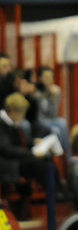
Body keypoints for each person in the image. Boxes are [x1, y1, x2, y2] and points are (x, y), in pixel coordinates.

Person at [0, 91, 61, 220]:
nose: (23, 116)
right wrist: (31, 152)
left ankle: (58, 191)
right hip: (8, 163)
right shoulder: (2, 124)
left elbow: (18, 143)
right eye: (21, 112)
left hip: (17, 158)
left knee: (46, 160)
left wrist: (32, 142)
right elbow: (5, 148)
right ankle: (54, 194)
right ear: (13, 111)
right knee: (38, 163)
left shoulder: (12, 124)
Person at [34, 64, 71, 158]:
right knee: (58, 126)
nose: (49, 80)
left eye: (51, 77)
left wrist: (53, 98)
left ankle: (65, 157)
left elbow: (53, 115)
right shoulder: (35, 92)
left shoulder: (55, 91)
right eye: (46, 77)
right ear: (39, 78)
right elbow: (38, 116)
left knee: (60, 125)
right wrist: (43, 95)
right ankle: (66, 157)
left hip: (49, 121)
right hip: (39, 123)